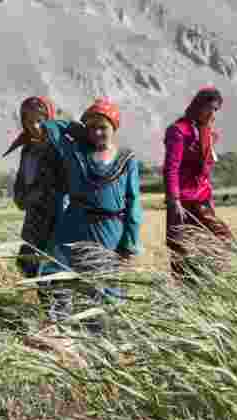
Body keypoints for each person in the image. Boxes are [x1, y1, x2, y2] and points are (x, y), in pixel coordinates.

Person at [36, 98, 143, 327]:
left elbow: (133, 202)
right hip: (74, 225)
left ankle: (101, 341)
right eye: (91, 128)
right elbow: (54, 126)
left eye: (102, 127)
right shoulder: (75, 153)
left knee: (103, 289)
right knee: (57, 280)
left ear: (114, 128)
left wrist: (129, 243)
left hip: (109, 232)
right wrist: (78, 128)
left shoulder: (127, 160)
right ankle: (63, 335)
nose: (97, 133)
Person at [163, 86, 233, 283]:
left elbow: (205, 175)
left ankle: (208, 284)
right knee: (182, 252)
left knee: (222, 240)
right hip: (183, 202)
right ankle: (185, 293)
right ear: (198, 105)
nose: (211, 113)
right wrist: (174, 200)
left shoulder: (206, 133)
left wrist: (209, 199)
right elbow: (171, 168)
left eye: (215, 109)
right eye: (208, 108)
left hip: (201, 199)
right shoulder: (179, 131)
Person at [3, 96, 67, 280]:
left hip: (59, 219)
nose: (35, 126)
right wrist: (25, 197)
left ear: (50, 119)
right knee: (31, 269)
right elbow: (21, 189)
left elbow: (69, 184)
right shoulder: (28, 150)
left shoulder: (61, 147)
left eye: (40, 121)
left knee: (56, 274)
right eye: (29, 121)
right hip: (34, 221)